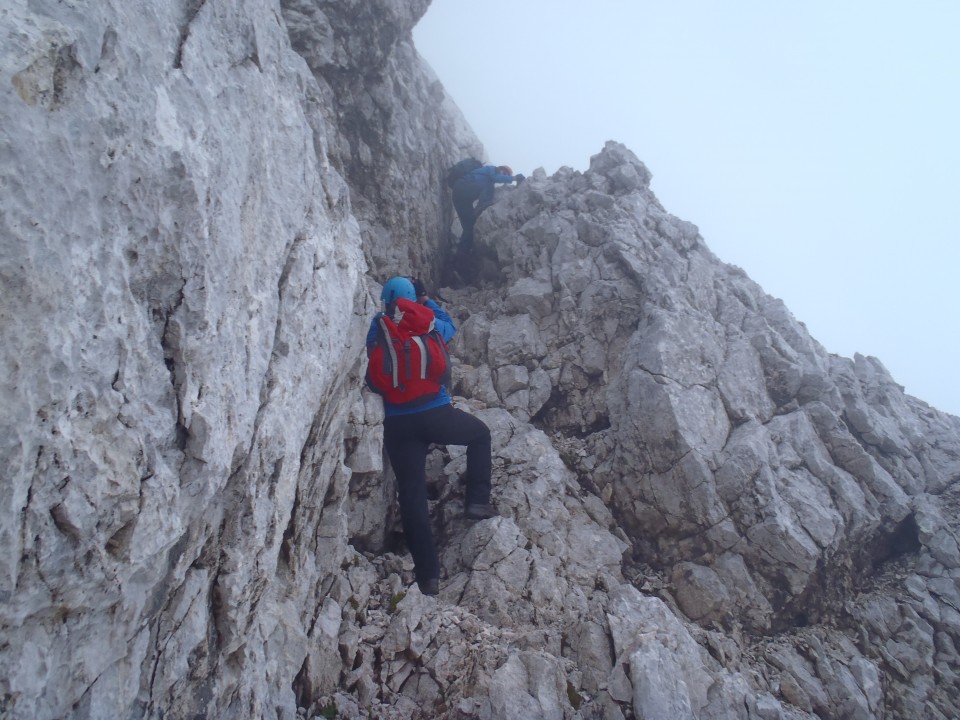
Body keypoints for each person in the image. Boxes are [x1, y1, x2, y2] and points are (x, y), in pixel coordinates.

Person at [366, 276, 495, 596]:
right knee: (480, 436)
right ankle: (477, 502)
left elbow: (371, 356)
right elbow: (450, 328)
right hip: (437, 414)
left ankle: (428, 578)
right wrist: (427, 303)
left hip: (399, 424)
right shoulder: (430, 323)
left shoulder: (379, 326)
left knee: (411, 496)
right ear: (416, 297)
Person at [451, 164, 524, 249]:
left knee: (469, 227)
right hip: (461, 190)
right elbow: (496, 178)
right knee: (469, 227)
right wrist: (514, 178)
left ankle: (464, 253)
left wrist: (478, 216)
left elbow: (483, 203)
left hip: (462, 199)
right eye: (504, 174)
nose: (504, 177)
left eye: (506, 176)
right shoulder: (491, 169)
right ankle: (462, 255)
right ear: (501, 169)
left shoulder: (489, 185)